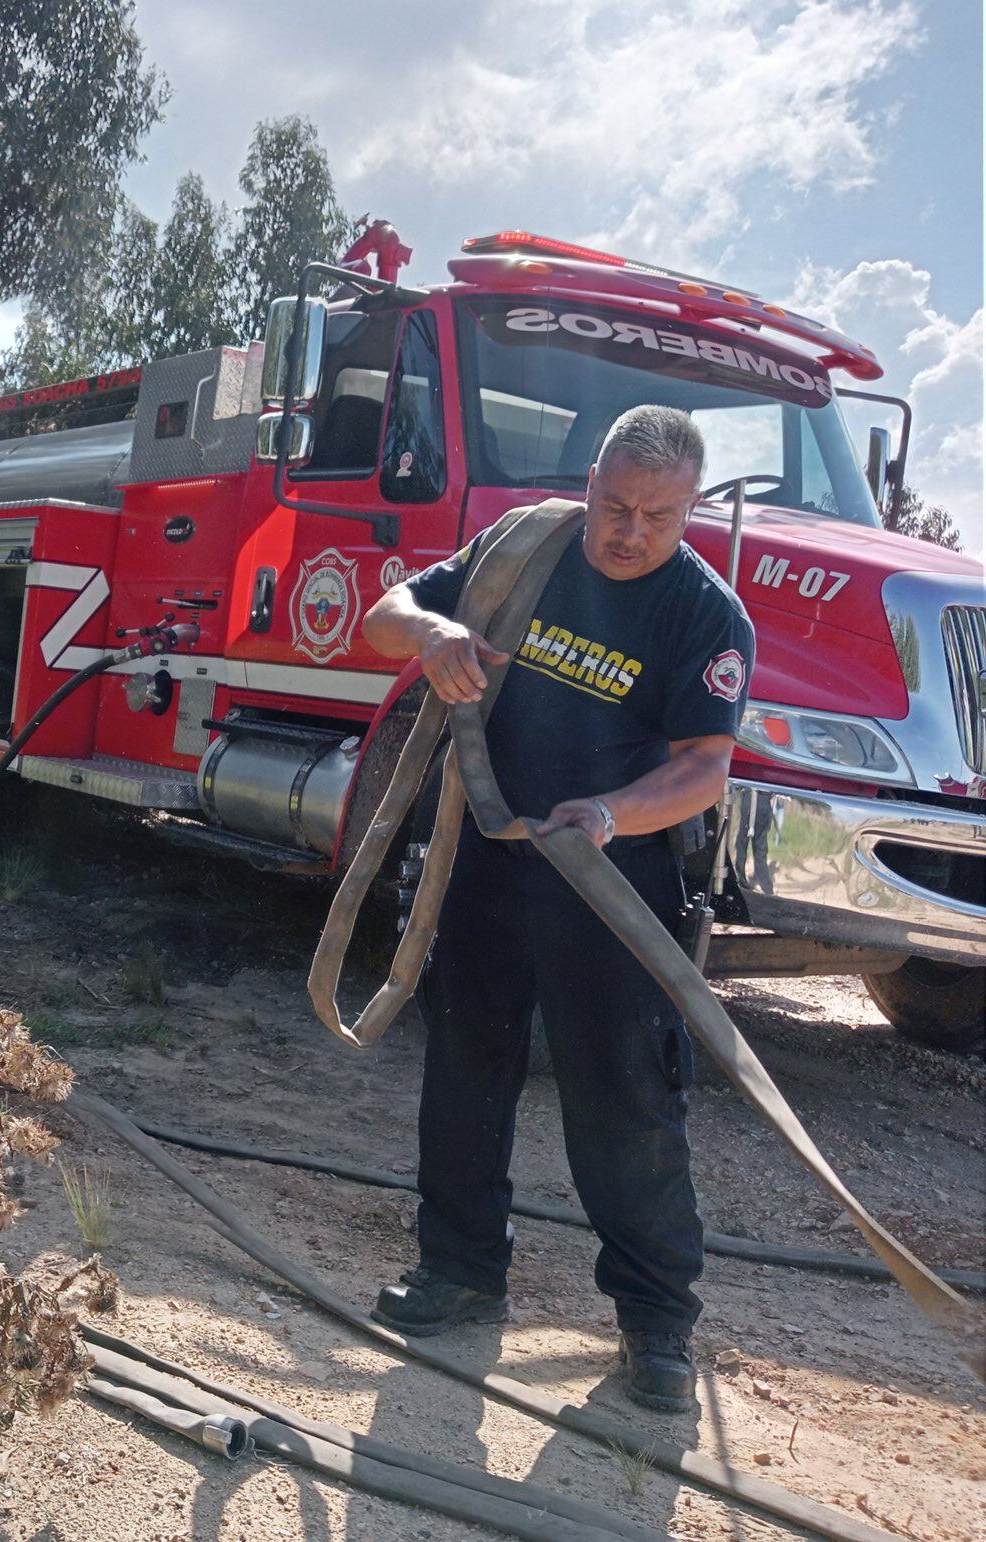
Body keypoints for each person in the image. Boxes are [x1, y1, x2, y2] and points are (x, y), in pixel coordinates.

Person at [359, 405, 754, 1413]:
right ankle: (456, 1272)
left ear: (690, 513)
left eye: (657, 518)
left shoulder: (705, 617)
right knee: (464, 1065)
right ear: (586, 483)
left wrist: (610, 815)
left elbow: (703, 769)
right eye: (614, 506)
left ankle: (654, 1323)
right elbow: (385, 609)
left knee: (624, 1098)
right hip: (491, 863)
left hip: (611, 883)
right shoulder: (523, 545)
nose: (628, 532)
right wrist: (433, 630)